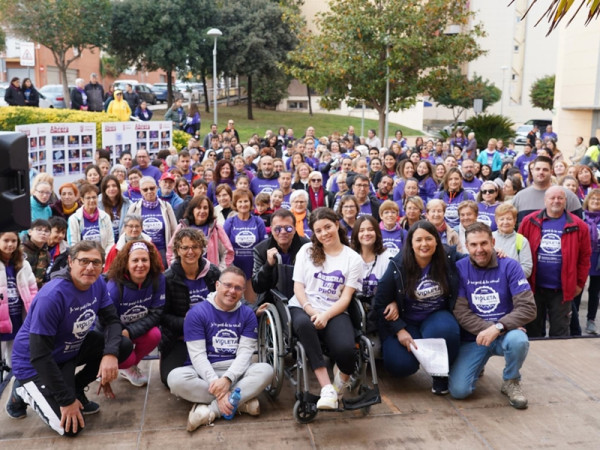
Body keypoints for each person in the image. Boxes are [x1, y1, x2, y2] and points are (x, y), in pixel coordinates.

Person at [7, 241, 133, 435]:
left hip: (68, 350)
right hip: (34, 363)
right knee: (71, 428)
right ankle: (20, 391)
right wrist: (66, 401)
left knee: (122, 345)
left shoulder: (97, 282)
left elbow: (113, 321)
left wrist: (110, 354)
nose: (90, 268)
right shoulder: (51, 296)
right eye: (84, 261)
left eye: (96, 262)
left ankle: (75, 388)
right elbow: (40, 355)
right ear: (70, 262)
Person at [167, 266, 272, 431]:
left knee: (266, 370)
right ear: (217, 285)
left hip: (236, 372)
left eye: (238, 288)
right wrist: (215, 383)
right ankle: (240, 403)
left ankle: (211, 411)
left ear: (243, 291)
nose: (232, 291)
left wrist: (228, 379)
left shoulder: (247, 314)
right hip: (204, 373)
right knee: (174, 378)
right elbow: (198, 356)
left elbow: (245, 354)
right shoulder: (197, 313)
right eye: (228, 285)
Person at [449, 223, 536, 409]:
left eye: (484, 243)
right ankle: (477, 366)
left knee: (518, 340)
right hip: (475, 338)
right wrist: (490, 328)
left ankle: (511, 380)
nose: (479, 249)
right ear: (466, 246)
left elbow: (528, 307)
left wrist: (498, 328)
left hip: (505, 333)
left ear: (493, 242)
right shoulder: (459, 268)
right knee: (459, 391)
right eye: (473, 245)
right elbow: (461, 312)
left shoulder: (510, 266)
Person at [374, 220, 462, 394]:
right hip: (407, 321)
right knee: (400, 365)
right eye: (418, 240)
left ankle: (441, 374)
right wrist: (399, 330)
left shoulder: (448, 256)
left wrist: (495, 253)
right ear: (411, 243)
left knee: (447, 330)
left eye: (429, 239)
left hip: (436, 316)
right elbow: (379, 302)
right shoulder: (397, 265)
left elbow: (474, 259)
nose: (424, 244)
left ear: (437, 240)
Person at [288, 207, 363, 410]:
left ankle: (338, 387)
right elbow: (298, 287)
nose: (324, 234)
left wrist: (326, 315)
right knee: (304, 326)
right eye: (318, 230)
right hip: (304, 306)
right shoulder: (306, 251)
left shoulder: (353, 259)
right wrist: (312, 311)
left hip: (335, 309)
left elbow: (346, 297)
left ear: (337, 225)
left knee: (347, 351)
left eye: (328, 227)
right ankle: (326, 388)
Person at [518, 186, 591, 337]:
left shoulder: (579, 225)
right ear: (545, 200)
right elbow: (518, 251)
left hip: (562, 289)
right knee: (533, 332)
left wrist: (579, 283)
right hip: (533, 287)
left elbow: (585, 258)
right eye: (552, 198)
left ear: (566, 201)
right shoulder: (529, 221)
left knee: (560, 333)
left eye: (560, 198)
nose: (556, 201)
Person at [160, 228, 220, 386]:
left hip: (210, 334)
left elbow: (230, 297)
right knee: (169, 380)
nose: (190, 252)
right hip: (179, 337)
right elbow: (162, 315)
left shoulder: (212, 272)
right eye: (185, 248)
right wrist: (187, 322)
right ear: (177, 250)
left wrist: (255, 309)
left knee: (216, 373)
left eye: (195, 247)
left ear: (202, 249)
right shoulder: (167, 278)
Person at [106, 240, 165, 387]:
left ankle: (129, 367)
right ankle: (107, 366)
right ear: (126, 263)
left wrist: (130, 332)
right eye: (135, 260)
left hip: (135, 329)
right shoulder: (114, 286)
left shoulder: (158, 279)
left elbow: (156, 313)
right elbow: (106, 320)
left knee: (155, 335)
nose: (140, 264)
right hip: (114, 333)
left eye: (144, 260)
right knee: (124, 350)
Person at [251, 208, 311, 305]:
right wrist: (268, 265)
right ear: (271, 229)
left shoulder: (307, 247)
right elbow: (257, 287)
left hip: (303, 297)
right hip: (272, 298)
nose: (283, 232)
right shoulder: (260, 250)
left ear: (295, 229)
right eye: (277, 229)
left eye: (288, 228)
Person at [0, 231, 37, 374]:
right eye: (6, 240)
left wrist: (32, 310)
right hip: (2, 319)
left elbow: (32, 288)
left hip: (18, 318)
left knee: (15, 358)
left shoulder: (23, 264)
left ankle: (12, 387)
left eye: (14, 241)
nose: (10, 244)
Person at [167, 195, 234, 270]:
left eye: (205, 208)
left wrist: (219, 272)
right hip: (185, 275)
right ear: (192, 210)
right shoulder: (182, 227)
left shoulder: (216, 229)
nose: (202, 211)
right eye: (198, 208)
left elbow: (228, 252)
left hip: (210, 276)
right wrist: (177, 270)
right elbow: (171, 251)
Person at [223, 189, 267, 302]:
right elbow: (224, 246)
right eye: (240, 202)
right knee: (233, 300)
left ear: (251, 203)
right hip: (234, 267)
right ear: (235, 204)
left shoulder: (258, 221)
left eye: (246, 201)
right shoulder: (230, 222)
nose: (243, 204)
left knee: (251, 302)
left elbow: (263, 245)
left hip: (252, 269)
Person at [513, 156, 582, 224]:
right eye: (537, 169)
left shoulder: (569, 196)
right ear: (532, 171)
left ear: (551, 172)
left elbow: (579, 225)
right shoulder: (519, 197)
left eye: (545, 169)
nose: (541, 172)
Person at [127, 176, 177, 267]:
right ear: (140, 191)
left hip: (162, 251)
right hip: (141, 251)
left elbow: (174, 230)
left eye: (152, 188)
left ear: (156, 188)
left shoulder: (166, 206)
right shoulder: (134, 207)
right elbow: (127, 230)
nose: (149, 191)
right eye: (145, 190)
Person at [573, 189, 600, 335]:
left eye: (598, 200)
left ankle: (591, 320)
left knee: (595, 291)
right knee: (578, 288)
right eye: (593, 199)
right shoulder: (581, 218)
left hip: (598, 259)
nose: (596, 202)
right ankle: (574, 318)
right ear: (587, 202)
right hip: (583, 258)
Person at [68, 183, 115, 253]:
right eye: (88, 198)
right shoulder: (74, 219)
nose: (92, 200)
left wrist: (104, 258)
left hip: (103, 258)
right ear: (82, 200)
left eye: (94, 197)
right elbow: (73, 244)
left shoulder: (105, 217)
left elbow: (110, 242)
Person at [492, 204, 533, 278]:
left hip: (512, 285)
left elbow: (527, 270)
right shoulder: (489, 238)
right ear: (496, 221)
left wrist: (506, 274)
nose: (505, 222)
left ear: (514, 221)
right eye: (502, 219)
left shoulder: (522, 241)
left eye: (509, 219)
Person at [99, 175, 131, 244]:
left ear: (118, 188)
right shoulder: (98, 204)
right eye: (108, 186)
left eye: (114, 186)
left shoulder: (128, 204)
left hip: (124, 242)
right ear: (104, 189)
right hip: (105, 244)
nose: (111, 189)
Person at [21, 219, 51, 289]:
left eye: (46, 231)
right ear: (30, 231)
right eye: (39, 230)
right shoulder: (20, 250)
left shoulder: (47, 254)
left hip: (37, 291)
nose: (43, 233)